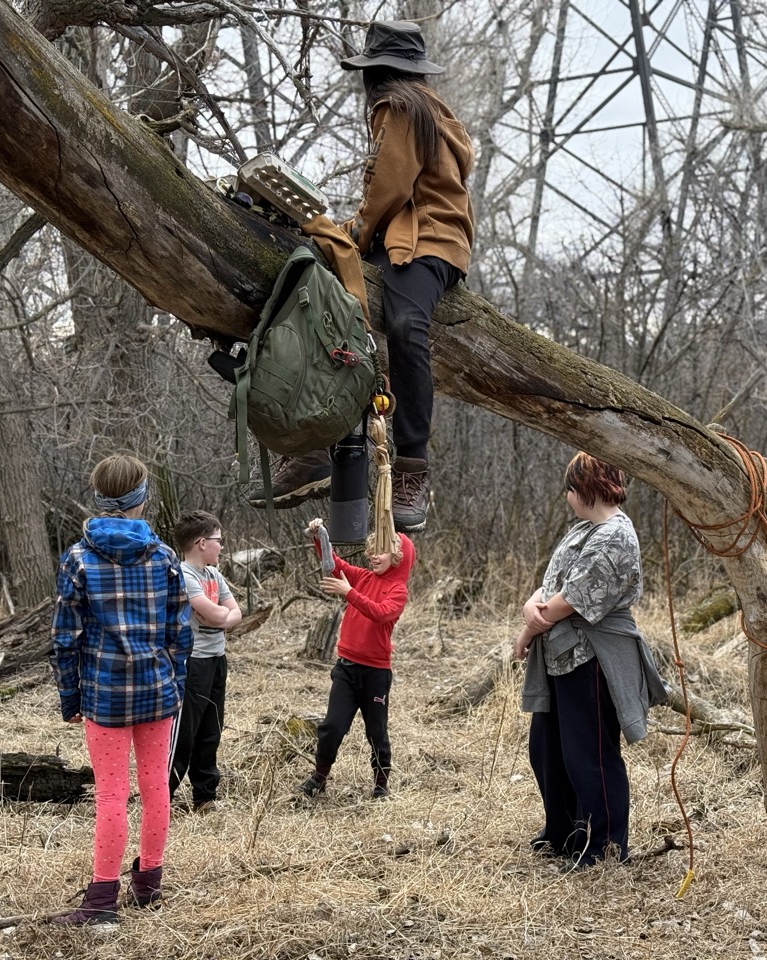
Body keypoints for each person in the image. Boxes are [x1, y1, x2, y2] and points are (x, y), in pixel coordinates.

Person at [252, 20, 474, 533]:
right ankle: (317, 447)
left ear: (375, 73)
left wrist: (355, 232)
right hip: (408, 237)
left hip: (428, 238)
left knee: (405, 326)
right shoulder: (424, 107)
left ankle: (412, 467)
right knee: (332, 307)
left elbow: (387, 190)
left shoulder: (398, 107)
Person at [50, 454, 192, 924]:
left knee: (112, 795)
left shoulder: (78, 557)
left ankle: (101, 901)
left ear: (99, 498)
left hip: (104, 694)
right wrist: (175, 685)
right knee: (156, 788)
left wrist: (70, 697)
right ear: (141, 498)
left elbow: (65, 638)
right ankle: (149, 883)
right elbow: (180, 634)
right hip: (156, 690)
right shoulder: (164, 556)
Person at [512, 452, 666, 871]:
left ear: (585, 489)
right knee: (548, 750)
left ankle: (604, 847)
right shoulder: (584, 529)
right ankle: (564, 833)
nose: (567, 497)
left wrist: (527, 630)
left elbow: (571, 599)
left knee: (590, 755)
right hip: (562, 655)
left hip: (592, 657)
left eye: (569, 489)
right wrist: (529, 604)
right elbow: (552, 584)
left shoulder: (616, 535)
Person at [299, 518, 416, 798]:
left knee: (376, 732)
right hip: (346, 669)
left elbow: (380, 612)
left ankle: (381, 786)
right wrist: (319, 536)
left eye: (382, 551)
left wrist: (349, 593)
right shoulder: (363, 577)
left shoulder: (398, 591)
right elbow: (334, 565)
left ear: (398, 558)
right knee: (332, 726)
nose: (374, 556)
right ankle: (319, 778)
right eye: (372, 550)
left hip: (375, 674)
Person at [169, 511, 241, 813]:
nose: (221, 546)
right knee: (185, 732)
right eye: (218, 540)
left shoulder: (214, 575)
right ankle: (163, 795)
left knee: (212, 728)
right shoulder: (183, 576)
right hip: (193, 663)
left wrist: (222, 616)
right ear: (201, 543)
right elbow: (216, 613)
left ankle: (204, 796)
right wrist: (221, 616)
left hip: (216, 659)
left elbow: (234, 613)